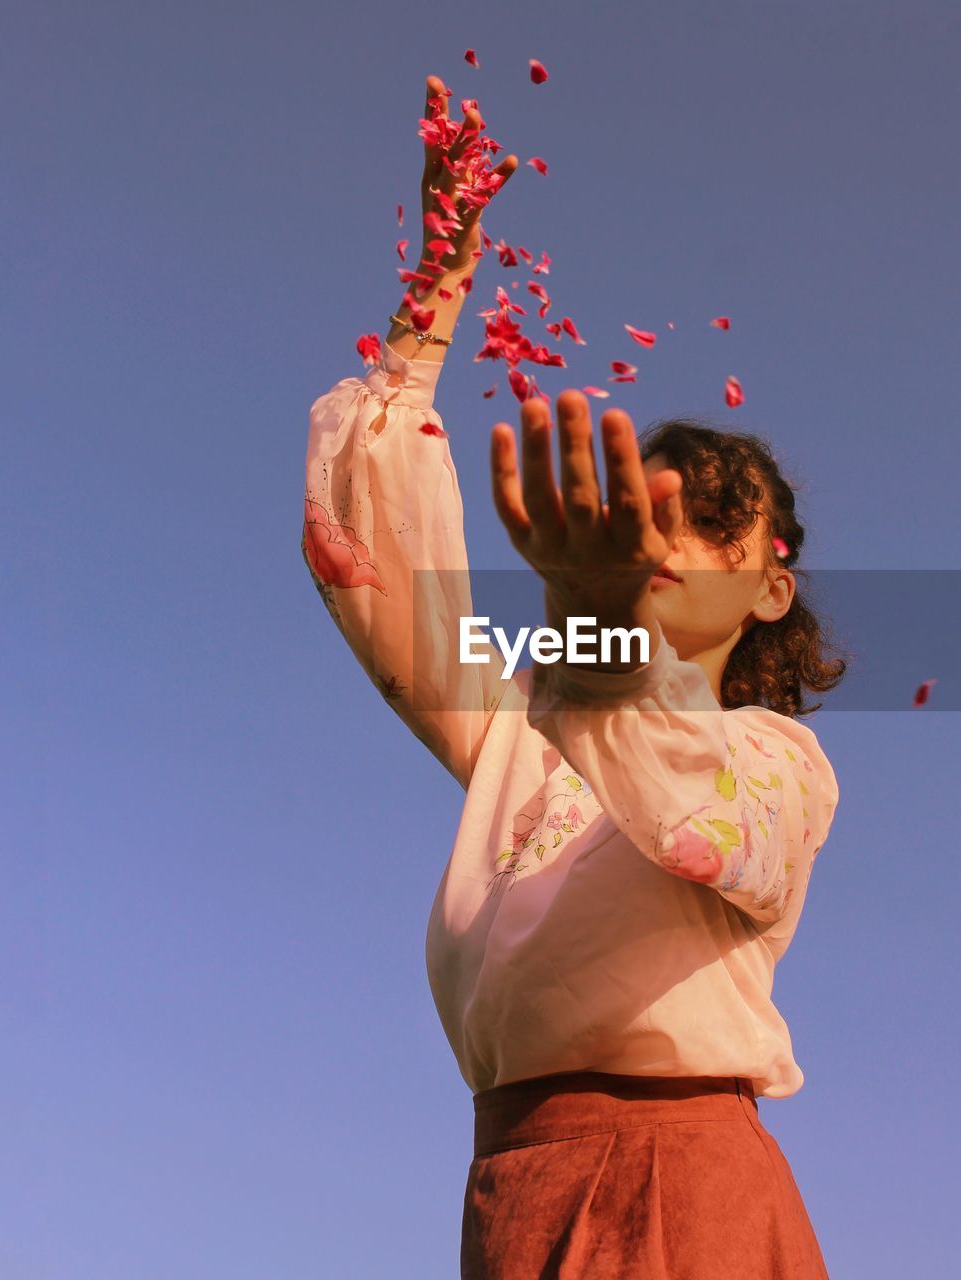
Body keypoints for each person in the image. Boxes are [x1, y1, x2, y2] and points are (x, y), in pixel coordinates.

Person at [301, 73, 849, 1280]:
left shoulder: (779, 764)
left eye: (710, 520)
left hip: (684, 1183)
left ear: (769, 585)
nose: (666, 541)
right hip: (512, 1188)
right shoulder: (527, 720)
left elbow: (704, 814)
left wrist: (596, 624)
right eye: (644, 508)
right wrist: (438, 290)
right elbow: (379, 581)